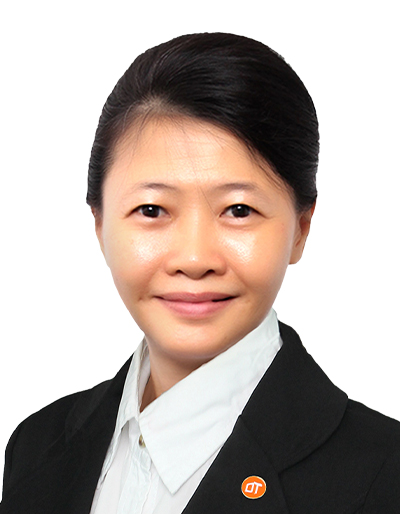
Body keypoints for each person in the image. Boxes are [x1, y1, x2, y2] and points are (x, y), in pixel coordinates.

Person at [1, 32, 399, 514]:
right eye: (151, 209)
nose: (193, 259)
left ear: (300, 229)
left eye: (238, 210)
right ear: (100, 223)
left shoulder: (385, 474)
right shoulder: (35, 446)